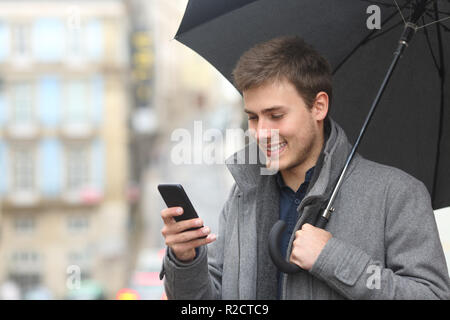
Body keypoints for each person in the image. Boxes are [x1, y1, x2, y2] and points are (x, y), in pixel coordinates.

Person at [159, 36, 450, 299]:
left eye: (275, 115)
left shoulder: (397, 195)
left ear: (319, 107)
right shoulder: (242, 195)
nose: (261, 132)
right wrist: (185, 260)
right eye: (253, 118)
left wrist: (332, 257)